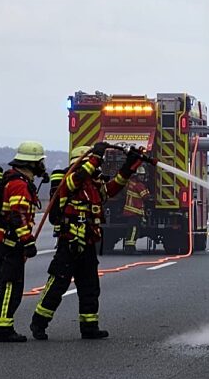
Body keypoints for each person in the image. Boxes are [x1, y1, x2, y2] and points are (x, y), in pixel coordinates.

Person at [29, 142, 145, 340]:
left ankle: (89, 327)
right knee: (58, 284)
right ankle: (38, 323)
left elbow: (111, 189)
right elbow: (76, 180)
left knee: (90, 286)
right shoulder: (69, 180)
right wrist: (95, 156)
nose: (97, 169)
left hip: (89, 243)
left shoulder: (93, 185)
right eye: (93, 166)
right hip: (70, 242)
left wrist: (128, 166)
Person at [0, 141, 45, 343]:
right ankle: (2, 330)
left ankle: (2, 325)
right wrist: (27, 241)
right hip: (9, 243)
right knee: (10, 286)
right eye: (39, 162)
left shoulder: (15, 181)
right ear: (31, 164)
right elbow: (18, 215)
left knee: (5, 285)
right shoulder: (19, 185)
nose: (42, 167)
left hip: (3, 241)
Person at [119, 166, 151, 254]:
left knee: (132, 230)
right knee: (134, 230)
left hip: (129, 211)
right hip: (135, 212)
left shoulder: (131, 182)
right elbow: (146, 197)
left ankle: (129, 247)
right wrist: (148, 189)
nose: (142, 177)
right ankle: (130, 248)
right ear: (137, 175)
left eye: (143, 176)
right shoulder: (139, 185)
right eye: (141, 176)